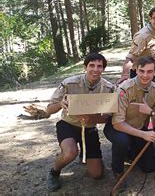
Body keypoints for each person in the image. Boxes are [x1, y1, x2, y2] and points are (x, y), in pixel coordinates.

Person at [45, 53, 115, 191]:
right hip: (68, 125)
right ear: (85, 67)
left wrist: (92, 118)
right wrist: (60, 104)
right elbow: (48, 110)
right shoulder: (69, 83)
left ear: (103, 69)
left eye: (99, 66)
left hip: (89, 128)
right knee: (70, 152)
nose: (95, 69)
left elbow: (107, 117)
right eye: (92, 65)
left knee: (97, 174)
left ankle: (86, 153)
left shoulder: (109, 89)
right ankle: (54, 171)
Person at [105, 55, 155, 191]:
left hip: (139, 127)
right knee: (122, 141)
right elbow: (117, 123)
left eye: (150, 71)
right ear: (136, 70)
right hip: (118, 128)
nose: (145, 75)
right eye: (142, 71)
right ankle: (118, 171)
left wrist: (151, 112)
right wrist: (143, 135)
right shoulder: (124, 89)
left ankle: (128, 152)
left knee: (149, 167)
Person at [117, 6, 155, 85]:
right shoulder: (143, 36)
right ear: (150, 19)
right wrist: (125, 75)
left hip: (153, 73)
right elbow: (130, 58)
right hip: (141, 75)